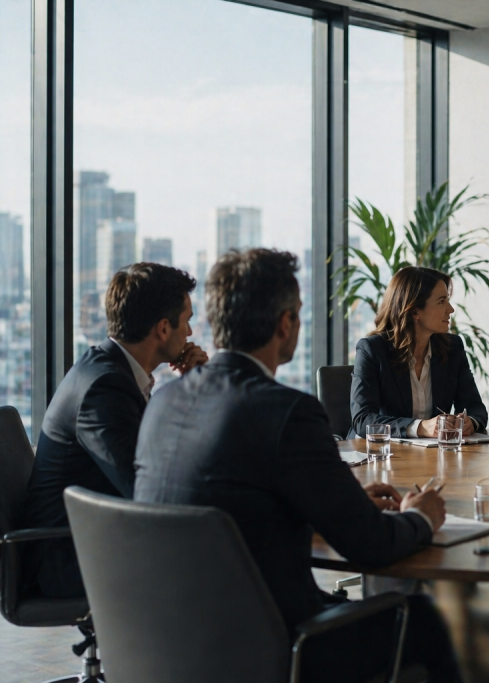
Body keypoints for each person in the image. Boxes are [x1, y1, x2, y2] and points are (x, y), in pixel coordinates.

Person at [134, 249, 460, 683]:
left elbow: (239, 504)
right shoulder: (288, 412)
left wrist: (338, 501)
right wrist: (420, 517)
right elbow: (371, 546)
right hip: (275, 643)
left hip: (168, 642)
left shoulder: (162, 403)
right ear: (285, 323)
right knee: (421, 619)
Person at [21, 263, 207, 598]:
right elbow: (144, 489)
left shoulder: (111, 371)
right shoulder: (104, 388)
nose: (191, 333)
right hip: (68, 560)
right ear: (163, 329)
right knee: (221, 563)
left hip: (95, 540)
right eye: (188, 319)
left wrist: (192, 390)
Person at [349, 266, 488, 439]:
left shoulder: (452, 348)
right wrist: (420, 427)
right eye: (441, 302)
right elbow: (363, 420)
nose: (450, 309)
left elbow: (475, 406)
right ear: (415, 311)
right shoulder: (372, 350)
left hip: (433, 456)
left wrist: (470, 422)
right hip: (380, 455)